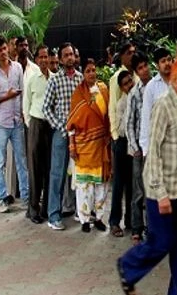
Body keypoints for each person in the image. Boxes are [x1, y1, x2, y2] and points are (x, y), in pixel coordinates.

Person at [116, 58, 177, 295]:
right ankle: (127, 267)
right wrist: (161, 194)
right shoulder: (163, 105)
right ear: (175, 81)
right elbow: (153, 153)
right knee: (161, 243)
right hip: (160, 192)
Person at [0, 35, 29, 213]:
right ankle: (2, 197)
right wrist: (5, 97)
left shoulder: (17, 68)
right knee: (0, 161)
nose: (3, 53)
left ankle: (26, 197)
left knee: (21, 161)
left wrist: (23, 114)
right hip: (1, 123)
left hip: (17, 121)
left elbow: (23, 92)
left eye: (4, 49)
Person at [67, 59, 112, 232]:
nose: (92, 73)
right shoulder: (78, 94)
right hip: (84, 147)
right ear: (83, 74)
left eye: (94, 70)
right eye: (88, 71)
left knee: (101, 185)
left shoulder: (103, 90)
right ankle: (85, 219)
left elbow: (108, 115)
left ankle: (99, 217)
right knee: (84, 187)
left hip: (101, 146)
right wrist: (72, 145)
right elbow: (71, 122)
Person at [42, 42, 83, 230]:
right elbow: (46, 108)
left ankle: (79, 211)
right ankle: (53, 215)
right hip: (61, 134)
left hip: (80, 135)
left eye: (71, 55)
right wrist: (61, 127)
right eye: (65, 55)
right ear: (60, 58)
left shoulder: (80, 79)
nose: (69, 58)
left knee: (79, 173)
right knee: (57, 174)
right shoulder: (55, 80)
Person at [23, 45, 53, 224]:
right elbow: (26, 105)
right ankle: (32, 208)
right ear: (36, 59)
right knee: (34, 168)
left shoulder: (55, 79)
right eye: (40, 57)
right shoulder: (32, 79)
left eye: (46, 56)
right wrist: (30, 124)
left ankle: (46, 208)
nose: (43, 60)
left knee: (49, 168)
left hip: (51, 125)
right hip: (35, 123)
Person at [126, 51, 153, 243]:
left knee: (153, 190)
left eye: (146, 66)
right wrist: (135, 147)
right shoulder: (135, 93)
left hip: (156, 147)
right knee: (138, 191)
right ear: (136, 71)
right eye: (140, 68)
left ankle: (153, 229)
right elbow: (129, 123)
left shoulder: (159, 86)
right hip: (139, 149)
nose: (144, 70)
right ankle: (137, 227)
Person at [110, 69, 135, 236]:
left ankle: (130, 220)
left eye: (130, 81)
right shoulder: (121, 103)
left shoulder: (139, 98)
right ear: (121, 87)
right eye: (125, 84)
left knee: (132, 184)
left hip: (134, 146)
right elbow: (120, 129)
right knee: (119, 184)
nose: (129, 85)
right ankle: (114, 222)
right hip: (122, 143)